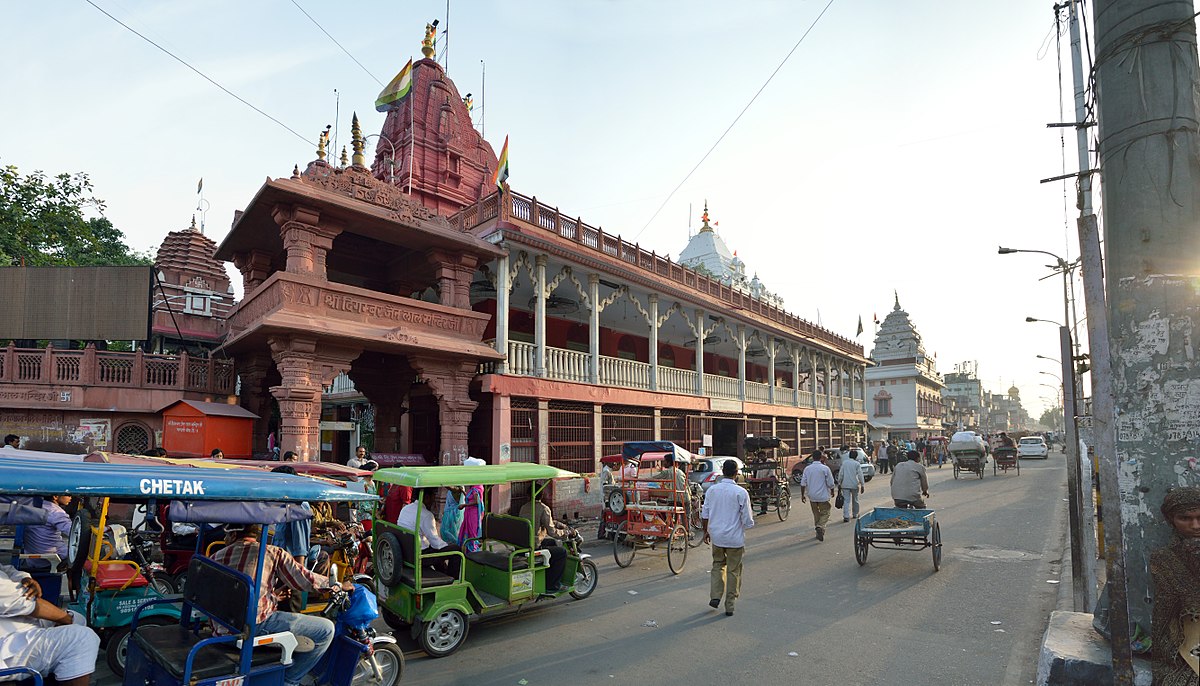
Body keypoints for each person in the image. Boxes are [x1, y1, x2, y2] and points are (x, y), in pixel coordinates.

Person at [211, 525, 350, 686]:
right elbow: (303, 578)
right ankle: (289, 681)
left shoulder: (216, 557)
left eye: (225, 535)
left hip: (220, 631)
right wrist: (335, 584)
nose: (224, 539)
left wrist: (273, 597)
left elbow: (230, 596)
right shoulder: (271, 553)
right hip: (251, 628)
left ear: (234, 533)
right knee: (325, 629)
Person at [0, 563, 100, 686]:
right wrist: (67, 620)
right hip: (7, 646)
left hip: (12, 622)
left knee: (77, 620)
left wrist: (24, 578)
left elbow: (7, 570)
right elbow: (27, 602)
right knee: (82, 638)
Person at [1150, 486, 1200, 685]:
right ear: (1172, 520)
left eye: (1199, 517)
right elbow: (1166, 615)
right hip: (1187, 638)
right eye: (1185, 518)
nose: (1195, 525)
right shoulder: (1164, 559)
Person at [701, 458, 754, 616]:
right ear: (736, 473)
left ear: (722, 472)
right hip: (734, 539)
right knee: (733, 570)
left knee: (717, 565)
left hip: (717, 537)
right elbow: (747, 519)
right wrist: (744, 526)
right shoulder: (740, 492)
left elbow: (705, 513)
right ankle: (730, 604)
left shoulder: (712, 490)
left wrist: (705, 532)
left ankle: (715, 596)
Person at [397, 489, 462, 578]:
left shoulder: (405, 509)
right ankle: (452, 580)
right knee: (456, 550)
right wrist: (447, 546)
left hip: (405, 551)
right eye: (433, 497)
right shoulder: (426, 515)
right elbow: (436, 544)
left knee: (435, 548)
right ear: (427, 497)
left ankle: (443, 574)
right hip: (419, 556)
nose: (434, 501)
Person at [517, 488, 568, 592]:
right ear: (542, 495)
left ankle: (547, 576)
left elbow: (546, 522)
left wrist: (559, 524)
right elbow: (552, 532)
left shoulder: (523, 508)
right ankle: (553, 585)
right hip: (532, 547)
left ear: (528, 496)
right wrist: (565, 533)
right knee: (562, 552)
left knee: (552, 543)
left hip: (522, 544)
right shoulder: (543, 508)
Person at [799, 450, 836, 541]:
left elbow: (803, 483)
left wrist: (802, 495)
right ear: (821, 457)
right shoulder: (825, 468)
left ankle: (819, 531)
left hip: (812, 496)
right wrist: (832, 491)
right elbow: (831, 483)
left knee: (816, 514)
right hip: (823, 496)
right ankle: (820, 526)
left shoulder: (807, 469)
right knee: (826, 512)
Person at [23, 495, 72, 562]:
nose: (71, 498)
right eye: (68, 495)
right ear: (55, 496)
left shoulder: (32, 506)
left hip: (31, 558)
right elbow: (74, 532)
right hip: (53, 557)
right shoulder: (56, 512)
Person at [458, 457, 486, 553]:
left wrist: (464, 505)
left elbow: (476, 501)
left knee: (472, 532)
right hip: (470, 512)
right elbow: (471, 498)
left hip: (473, 513)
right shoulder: (474, 486)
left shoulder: (477, 487)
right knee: (468, 531)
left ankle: (473, 550)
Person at [837, 449, 865, 522]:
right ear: (856, 456)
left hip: (845, 484)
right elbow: (860, 475)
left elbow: (841, 474)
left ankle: (846, 516)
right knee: (855, 499)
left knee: (846, 501)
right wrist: (862, 485)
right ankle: (855, 514)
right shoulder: (857, 464)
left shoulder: (845, 463)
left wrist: (839, 482)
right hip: (854, 484)